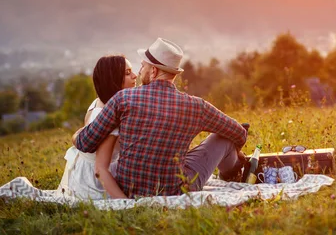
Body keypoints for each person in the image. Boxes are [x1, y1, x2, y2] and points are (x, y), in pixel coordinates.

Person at [73, 38, 248, 198]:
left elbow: (85, 143)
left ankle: (233, 169)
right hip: (174, 192)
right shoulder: (197, 106)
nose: (139, 72)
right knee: (224, 138)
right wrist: (237, 151)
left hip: (128, 189)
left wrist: (78, 133)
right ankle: (232, 173)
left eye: (143, 67)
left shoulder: (123, 98)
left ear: (154, 71)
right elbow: (239, 132)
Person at [58, 55, 137, 200]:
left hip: (82, 169)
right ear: (113, 79)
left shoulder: (98, 101)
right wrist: (126, 203)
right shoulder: (107, 117)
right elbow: (100, 170)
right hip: (95, 182)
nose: (135, 75)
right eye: (127, 73)